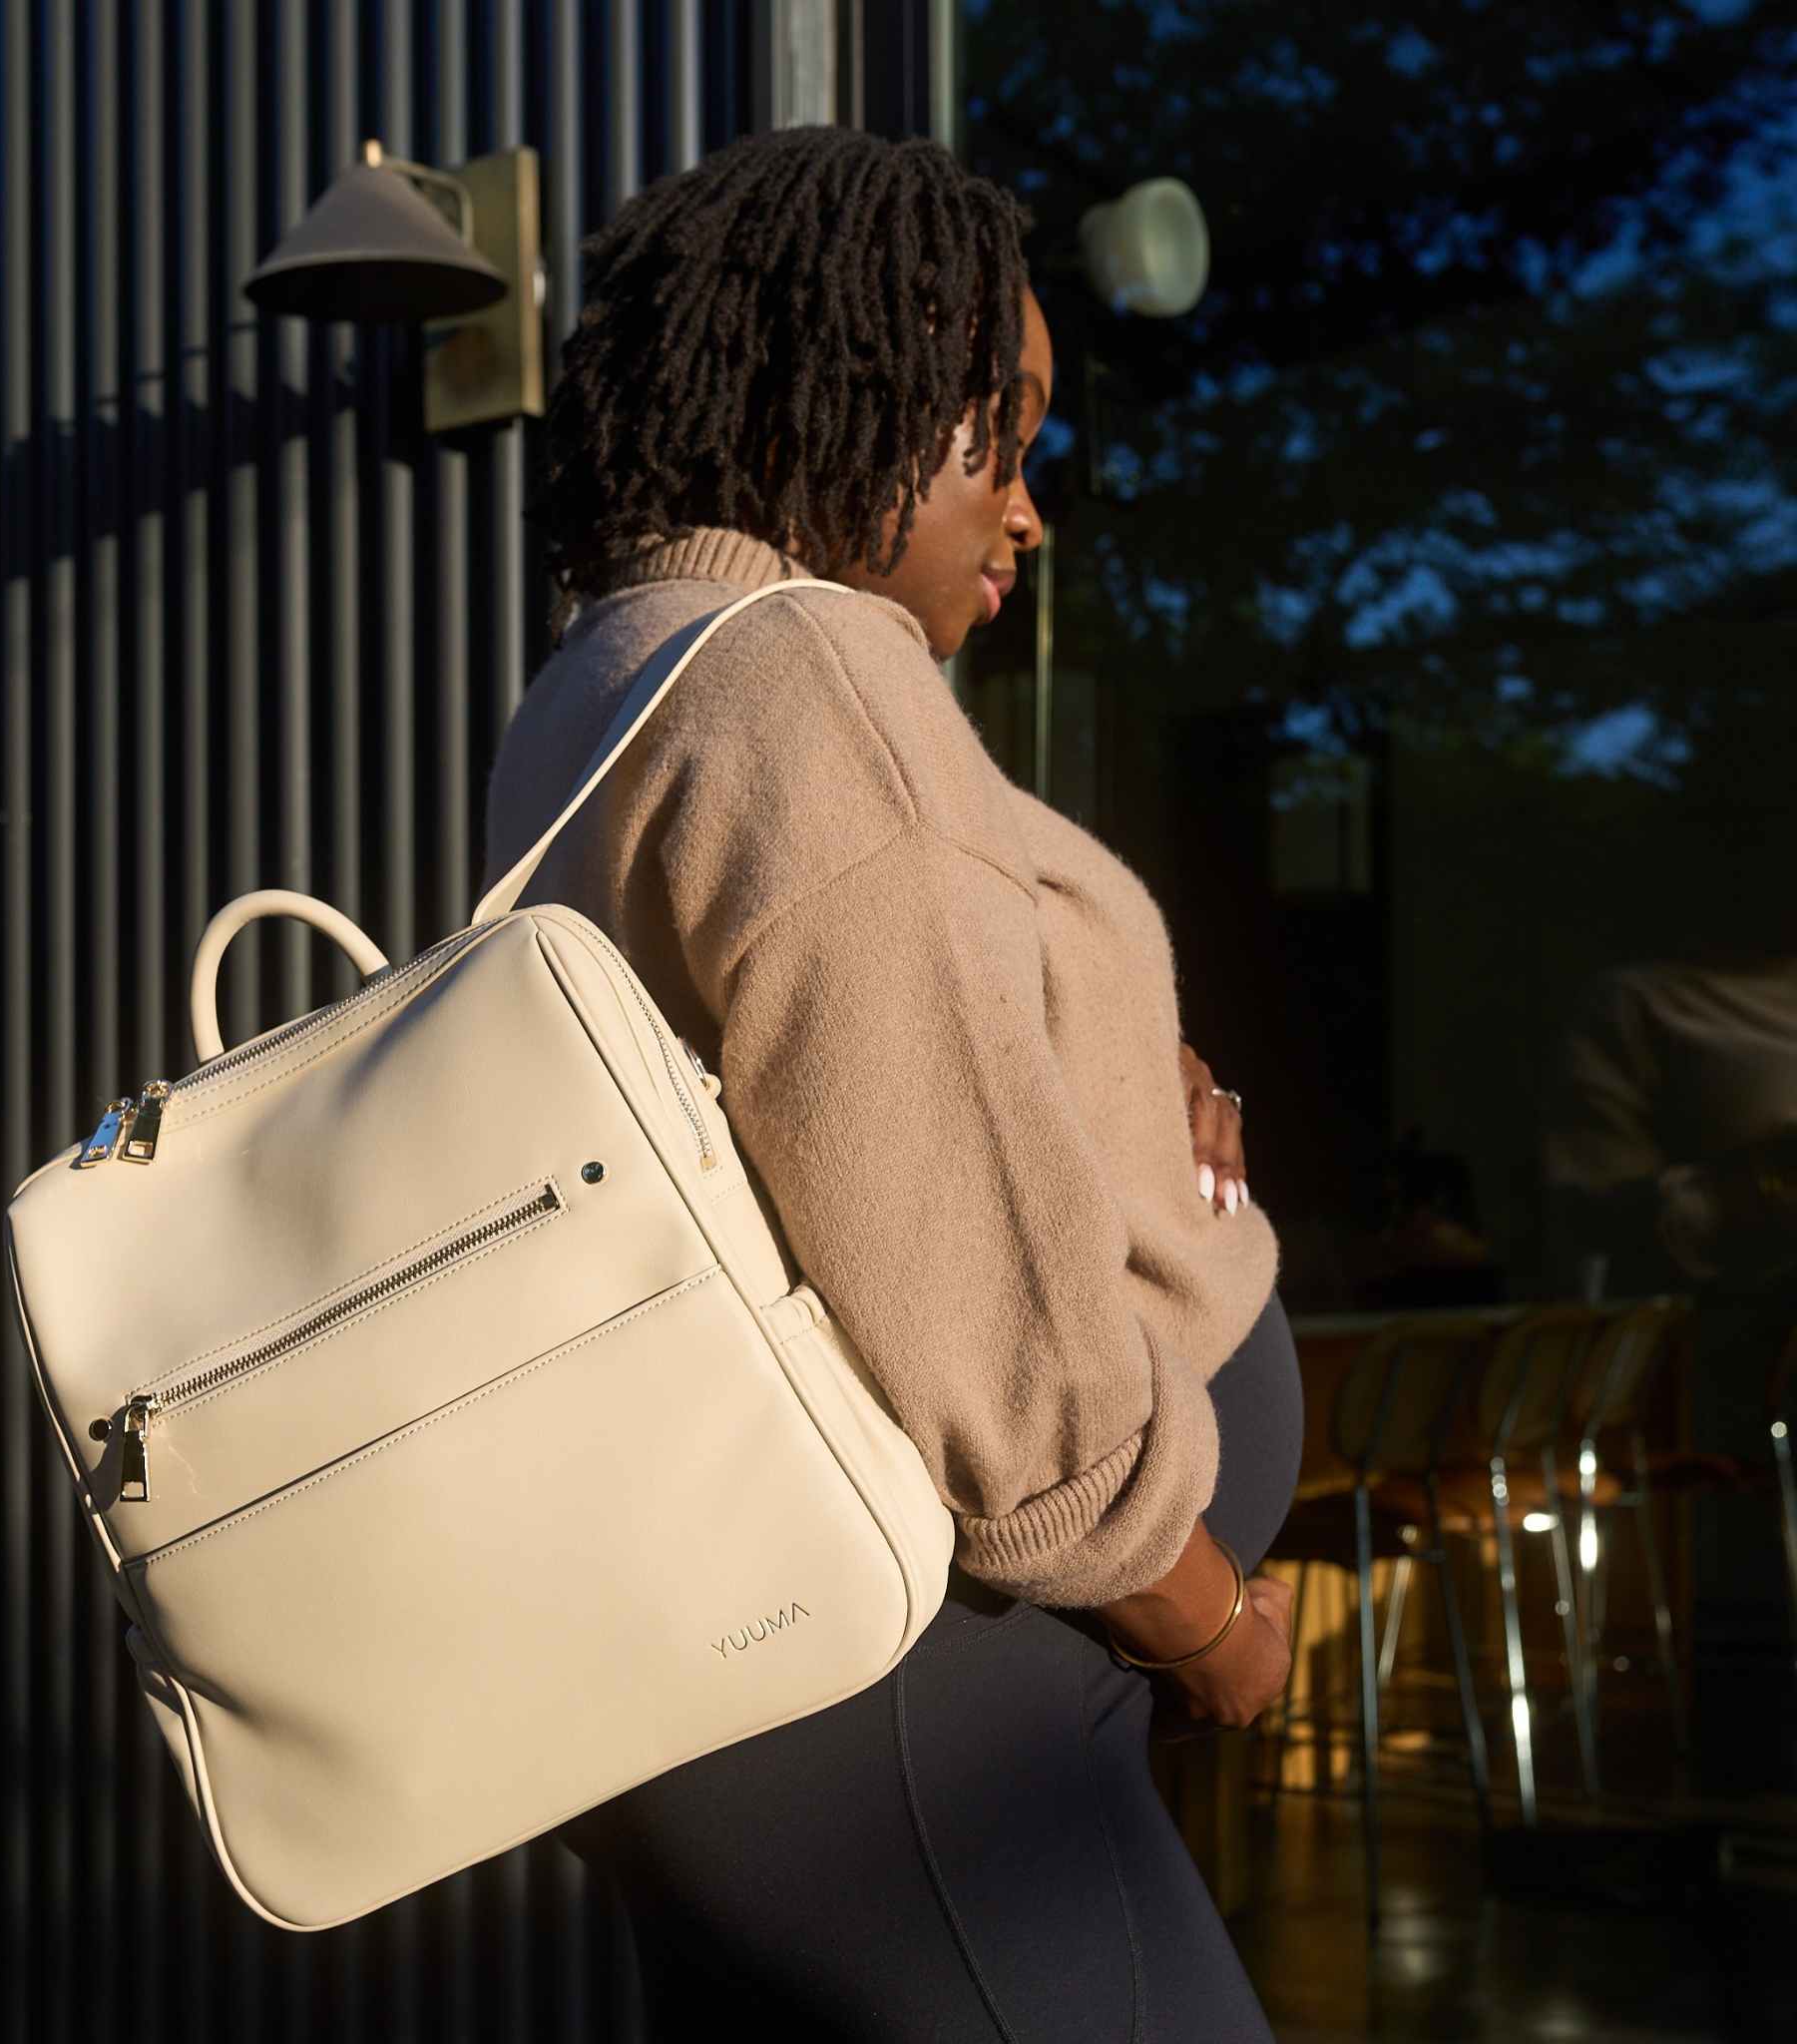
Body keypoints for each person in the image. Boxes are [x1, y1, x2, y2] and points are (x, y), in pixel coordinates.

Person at [484, 126, 1301, 2042]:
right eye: (993, 437)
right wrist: (1207, 1619)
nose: (1028, 513)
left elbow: (849, 1099)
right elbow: (963, 1301)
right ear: (835, 400)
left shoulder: (616, 684)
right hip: (921, 1712)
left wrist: (1115, 1059)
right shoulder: (810, 686)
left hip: (785, 1714)